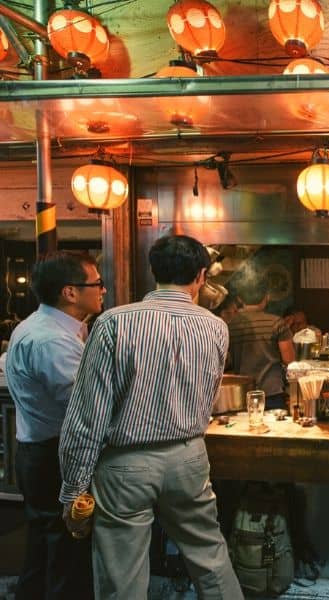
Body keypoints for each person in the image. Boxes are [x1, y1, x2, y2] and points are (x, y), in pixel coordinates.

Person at [58, 234, 243, 599]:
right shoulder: (215, 326)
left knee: (122, 578)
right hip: (189, 457)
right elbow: (206, 397)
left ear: (153, 270)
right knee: (211, 558)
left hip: (127, 465)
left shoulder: (114, 323)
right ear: (201, 275)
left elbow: (86, 415)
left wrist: (73, 489)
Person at [5, 251, 104, 599]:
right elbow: (84, 405)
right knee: (66, 548)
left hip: (38, 452)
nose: (102, 290)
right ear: (70, 292)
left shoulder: (43, 328)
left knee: (43, 544)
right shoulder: (52, 341)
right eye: (97, 283)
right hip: (52, 456)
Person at [229, 279, 295, 409]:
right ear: (267, 297)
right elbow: (289, 360)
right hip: (272, 393)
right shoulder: (276, 323)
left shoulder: (229, 325)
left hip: (240, 394)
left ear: (240, 299)